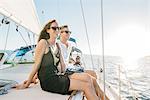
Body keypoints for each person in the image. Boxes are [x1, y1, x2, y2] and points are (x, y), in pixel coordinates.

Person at [15, 19, 105, 100]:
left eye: (58, 28)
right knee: (86, 86)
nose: (57, 30)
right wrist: (28, 82)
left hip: (58, 75)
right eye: (54, 28)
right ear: (47, 30)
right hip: (49, 81)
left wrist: (62, 57)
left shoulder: (57, 45)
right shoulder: (43, 43)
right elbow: (37, 65)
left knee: (88, 80)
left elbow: (62, 68)